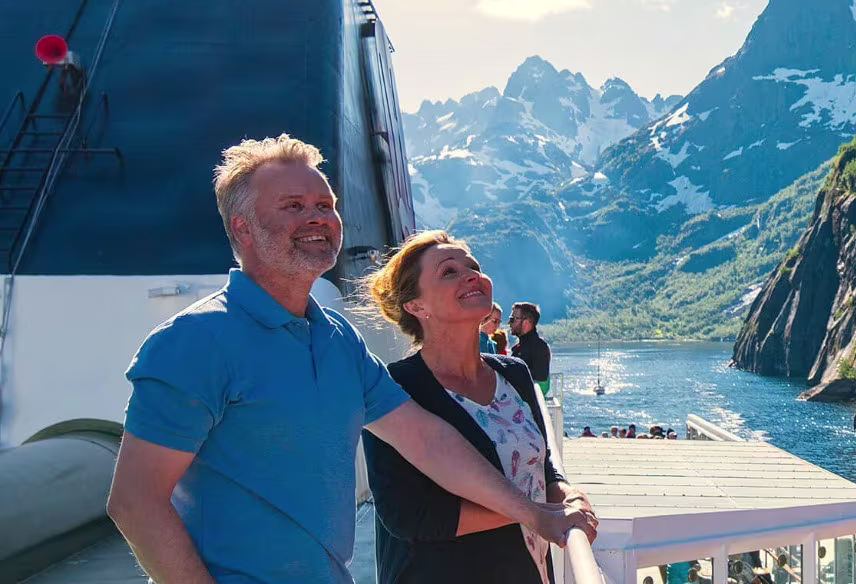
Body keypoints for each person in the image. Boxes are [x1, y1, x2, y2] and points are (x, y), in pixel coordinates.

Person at [106, 135, 590, 583]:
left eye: (325, 205)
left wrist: (534, 512)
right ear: (243, 228)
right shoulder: (194, 340)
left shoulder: (338, 339)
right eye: (293, 206)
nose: (317, 217)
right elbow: (135, 502)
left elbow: (426, 439)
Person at [361, 230, 596, 583]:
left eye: (473, 266)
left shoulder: (514, 374)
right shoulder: (395, 388)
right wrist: (537, 513)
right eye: (449, 272)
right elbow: (409, 515)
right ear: (416, 305)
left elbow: (541, 466)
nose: (472, 275)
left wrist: (568, 496)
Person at [509, 301, 551, 394]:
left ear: (526, 323)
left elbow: (541, 376)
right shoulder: (518, 347)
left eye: (512, 319)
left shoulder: (539, 347)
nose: (509, 322)